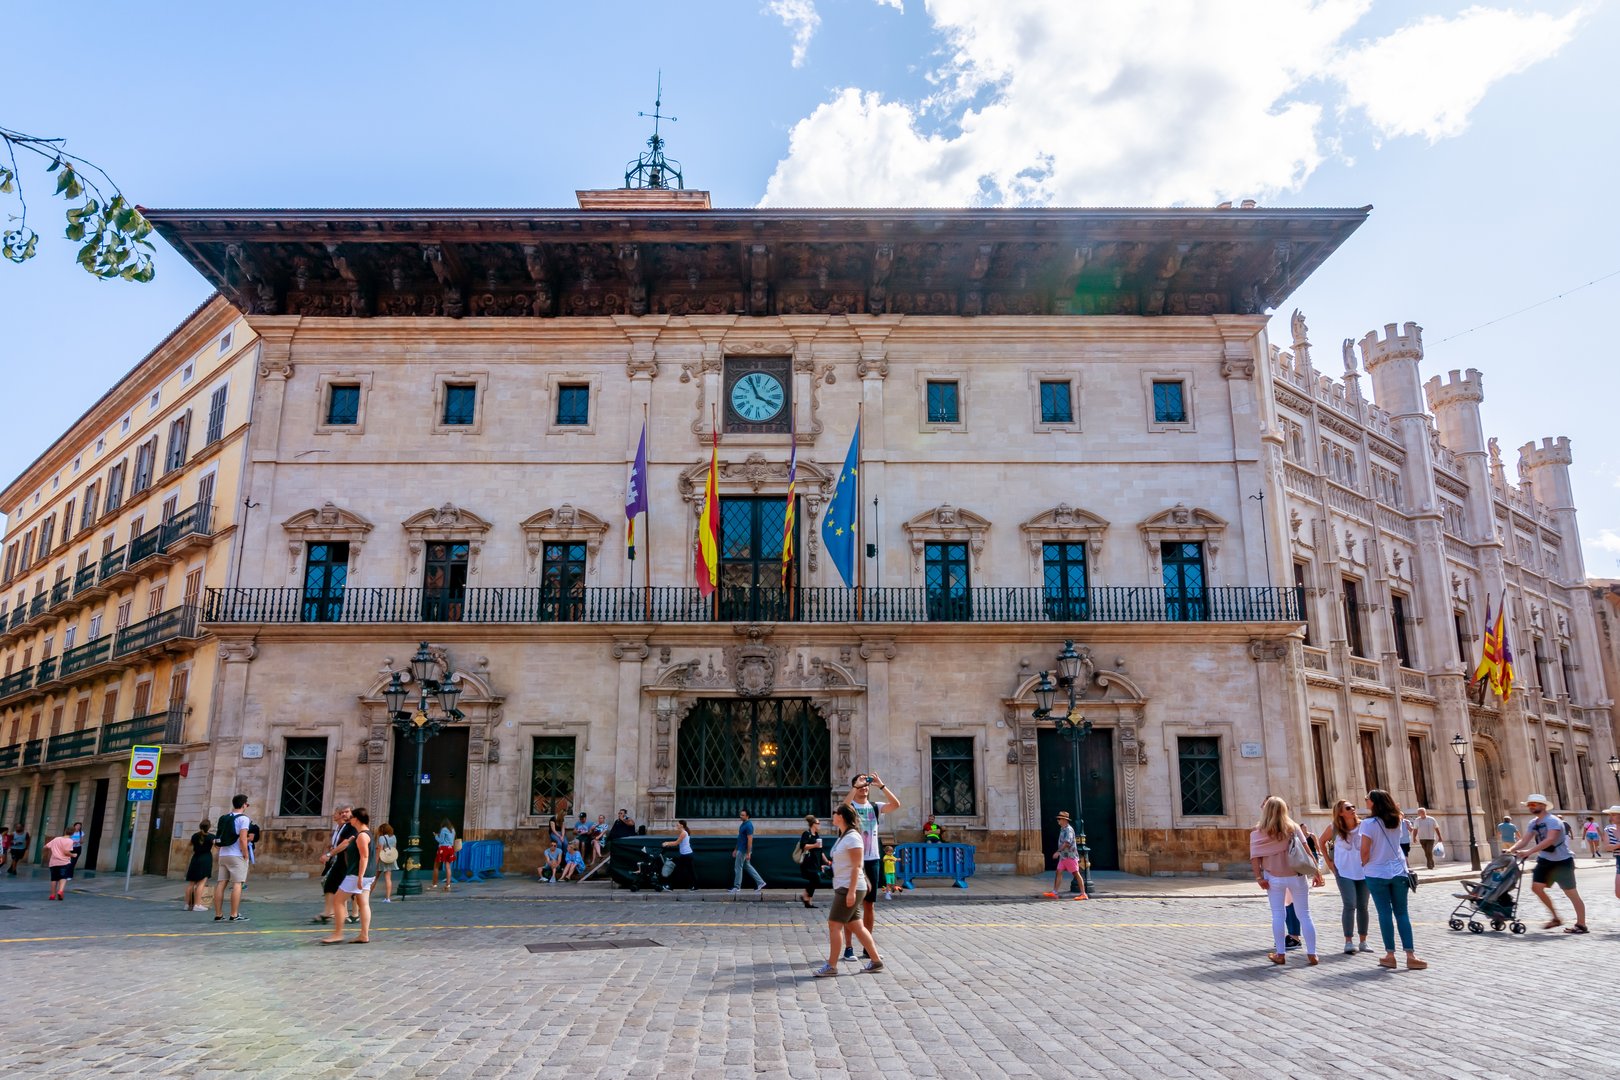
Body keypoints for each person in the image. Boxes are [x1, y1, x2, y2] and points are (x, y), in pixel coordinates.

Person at [1358, 788, 1426, 970]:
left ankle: (1390, 955)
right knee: (1402, 913)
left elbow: (1364, 851)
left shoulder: (1368, 824)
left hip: (1376, 872)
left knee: (1384, 913)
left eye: (1367, 799)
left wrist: (1363, 864)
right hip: (1398, 871)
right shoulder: (1397, 819)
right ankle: (1411, 955)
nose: (1365, 801)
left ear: (1374, 802)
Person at [1249, 795, 1321, 966]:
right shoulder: (1293, 827)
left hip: (1274, 877)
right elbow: (1306, 850)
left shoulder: (1258, 832)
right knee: (1305, 914)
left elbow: (1255, 857)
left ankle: (1280, 954)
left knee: (1278, 914)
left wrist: (1259, 877)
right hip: (1297, 876)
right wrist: (1317, 871)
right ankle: (1312, 954)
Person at [814, 804, 883, 976]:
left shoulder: (852, 837)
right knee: (856, 925)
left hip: (849, 887)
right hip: (844, 884)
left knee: (834, 925)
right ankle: (876, 961)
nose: (833, 815)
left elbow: (856, 866)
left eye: (835, 813)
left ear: (842, 816)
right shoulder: (843, 836)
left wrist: (851, 891)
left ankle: (832, 966)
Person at [1505, 793, 1586, 933]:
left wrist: (1529, 852)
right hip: (1545, 860)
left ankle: (1581, 924)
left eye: (1533, 804)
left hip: (1562, 861)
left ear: (1543, 806)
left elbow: (1550, 839)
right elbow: (1524, 840)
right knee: (1536, 888)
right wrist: (1510, 849)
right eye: (1529, 805)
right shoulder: (1533, 823)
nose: (1530, 807)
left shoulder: (1553, 821)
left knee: (1571, 893)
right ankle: (1556, 918)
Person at [843, 772, 901, 961]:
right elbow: (843, 807)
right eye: (861, 784)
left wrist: (881, 785)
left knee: (869, 904)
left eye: (866, 784)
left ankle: (867, 947)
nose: (865, 787)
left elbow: (896, 804)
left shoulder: (875, 807)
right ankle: (848, 947)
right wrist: (856, 786)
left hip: (872, 859)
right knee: (851, 904)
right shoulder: (851, 807)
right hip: (853, 860)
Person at [1319, 799, 1370, 954]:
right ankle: (1348, 941)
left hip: (1364, 871)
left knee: (1363, 906)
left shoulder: (1364, 825)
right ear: (1340, 812)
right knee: (1349, 904)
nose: (1352, 809)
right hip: (1343, 871)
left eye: (1353, 806)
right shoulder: (1334, 828)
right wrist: (1329, 863)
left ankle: (1363, 941)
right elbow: (1321, 842)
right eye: (1348, 808)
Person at [323, 806, 375, 945]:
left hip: (356, 874)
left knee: (338, 901)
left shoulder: (362, 836)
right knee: (363, 903)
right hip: (367, 874)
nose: (349, 819)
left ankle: (338, 934)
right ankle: (364, 935)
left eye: (351, 817)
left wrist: (360, 877)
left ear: (356, 819)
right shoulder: (363, 834)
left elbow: (364, 857)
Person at [212, 794, 252, 923]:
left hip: (223, 854)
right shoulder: (243, 819)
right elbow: (243, 839)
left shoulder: (224, 817)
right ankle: (234, 914)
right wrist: (246, 854)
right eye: (247, 804)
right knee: (237, 884)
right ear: (243, 805)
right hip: (236, 855)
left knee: (221, 883)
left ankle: (218, 914)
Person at [315, 806, 356, 926]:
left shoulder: (352, 827)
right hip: (339, 860)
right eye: (342, 812)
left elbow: (346, 843)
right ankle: (330, 913)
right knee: (330, 884)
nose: (343, 814)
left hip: (348, 861)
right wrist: (331, 852)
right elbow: (339, 843)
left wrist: (329, 854)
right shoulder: (343, 827)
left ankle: (350, 915)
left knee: (347, 889)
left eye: (346, 812)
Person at [1045, 810, 1085, 899]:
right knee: (1058, 872)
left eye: (1059, 819)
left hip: (1070, 856)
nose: (1058, 820)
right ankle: (1055, 892)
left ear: (1064, 820)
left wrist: (1058, 851)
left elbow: (1067, 843)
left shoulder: (1068, 830)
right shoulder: (1063, 829)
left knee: (1076, 873)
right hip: (1064, 856)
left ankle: (1083, 894)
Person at [728, 808, 766, 897]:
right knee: (747, 866)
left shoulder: (748, 825)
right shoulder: (743, 824)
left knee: (738, 867)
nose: (740, 816)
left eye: (743, 815)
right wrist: (735, 849)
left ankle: (737, 887)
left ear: (747, 816)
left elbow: (750, 840)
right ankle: (760, 882)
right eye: (740, 814)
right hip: (741, 849)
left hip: (743, 850)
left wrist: (748, 852)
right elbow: (740, 838)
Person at [184, 821, 214, 911]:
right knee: (201, 883)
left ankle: (187, 905)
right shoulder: (211, 837)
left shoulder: (194, 836)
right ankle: (197, 904)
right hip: (205, 859)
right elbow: (218, 846)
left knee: (191, 883)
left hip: (195, 858)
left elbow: (189, 846)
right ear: (209, 827)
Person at [662, 819, 697, 892]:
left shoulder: (683, 833)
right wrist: (669, 844)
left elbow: (676, 843)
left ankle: (670, 886)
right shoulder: (684, 832)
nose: (677, 826)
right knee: (690, 871)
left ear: (681, 825)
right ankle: (694, 886)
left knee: (678, 871)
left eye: (677, 824)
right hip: (687, 855)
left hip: (686, 855)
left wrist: (667, 843)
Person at [44, 830, 75, 900]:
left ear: (65, 832)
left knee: (54, 879)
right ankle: (60, 891)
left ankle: (52, 895)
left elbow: (46, 846)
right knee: (63, 877)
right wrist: (73, 855)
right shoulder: (70, 841)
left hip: (53, 862)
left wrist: (54, 850)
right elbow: (66, 852)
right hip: (64, 862)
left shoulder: (56, 839)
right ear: (72, 834)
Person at [374, 824, 398, 902]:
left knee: (374, 878)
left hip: (382, 859)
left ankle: (367, 895)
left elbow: (379, 851)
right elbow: (394, 848)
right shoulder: (394, 837)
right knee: (388, 878)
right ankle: (387, 898)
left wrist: (375, 862)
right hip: (389, 859)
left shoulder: (382, 838)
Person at [1600, 805, 1620, 901]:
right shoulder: (1608, 829)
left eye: (1614, 815)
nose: (1611, 817)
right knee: (1618, 893)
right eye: (1610, 815)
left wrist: (1615, 846)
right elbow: (1607, 847)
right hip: (1619, 860)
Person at [432, 819, 456, 890]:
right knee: (448, 867)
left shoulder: (443, 829)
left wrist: (436, 836)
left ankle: (434, 884)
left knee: (436, 866)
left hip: (443, 849)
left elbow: (441, 841)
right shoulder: (452, 829)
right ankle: (448, 885)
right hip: (450, 848)